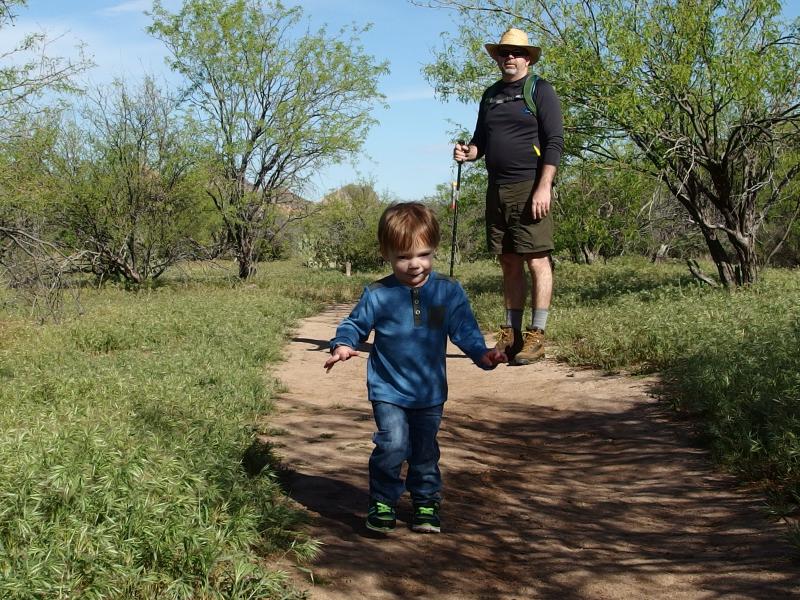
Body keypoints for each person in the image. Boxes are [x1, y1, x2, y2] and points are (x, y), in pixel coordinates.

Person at [324, 202, 506, 534]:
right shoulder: (378, 294)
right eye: (403, 257)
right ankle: (383, 501)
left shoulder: (447, 292)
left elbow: (463, 330)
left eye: (423, 255)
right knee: (393, 444)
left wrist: (483, 355)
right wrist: (344, 344)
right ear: (386, 253)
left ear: (434, 248)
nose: (414, 265)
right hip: (388, 389)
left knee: (424, 450)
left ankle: (425, 501)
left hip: (430, 391)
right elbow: (355, 324)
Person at [454, 27, 564, 366]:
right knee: (508, 261)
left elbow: (554, 141)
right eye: (504, 53)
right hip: (496, 188)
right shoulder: (490, 95)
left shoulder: (540, 90)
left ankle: (537, 335)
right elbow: (479, 144)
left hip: (529, 187)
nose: (509, 58)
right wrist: (467, 152)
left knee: (537, 260)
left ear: (528, 58)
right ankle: (511, 335)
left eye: (516, 53)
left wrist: (544, 186)